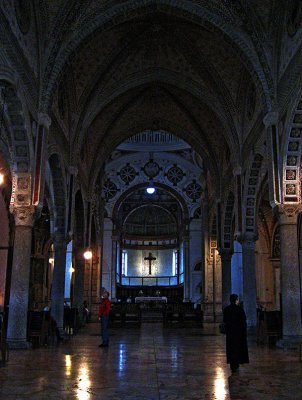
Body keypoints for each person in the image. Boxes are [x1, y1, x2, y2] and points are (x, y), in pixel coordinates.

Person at [223, 293, 249, 373]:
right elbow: (243, 320)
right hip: (238, 332)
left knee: (231, 348)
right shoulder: (239, 309)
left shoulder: (227, 309)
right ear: (236, 300)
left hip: (230, 332)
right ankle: (237, 362)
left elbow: (225, 320)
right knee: (237, 347)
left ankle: (232, 363)